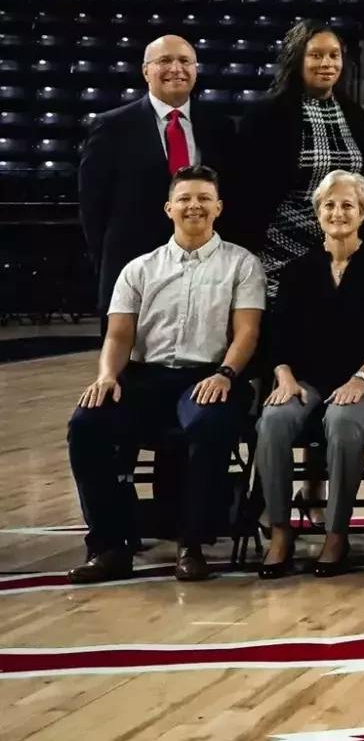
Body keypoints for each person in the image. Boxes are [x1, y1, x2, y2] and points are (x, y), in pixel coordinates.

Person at [67, 165, 265, 583]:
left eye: (204, 199)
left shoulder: (242, 264)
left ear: (219, 207)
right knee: (86, 425)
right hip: (145, 377)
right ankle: (110, 545)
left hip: (210, 376)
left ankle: (191, 544)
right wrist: (107, 376)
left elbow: (247, 331)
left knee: (210, 425)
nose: (195, 205)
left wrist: (227, 373)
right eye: (186, 199)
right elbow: (119, 336)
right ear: (169, 208)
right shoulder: (139, 269)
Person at [252, 171, 364, 578]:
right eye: (330, 206)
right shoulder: (296, 271)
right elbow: (278, 336)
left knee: (342, 420)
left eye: (347, 205)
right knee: (274, 420)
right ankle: (281, 532)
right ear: (317, 212)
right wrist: (283, 375)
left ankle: (336, 533)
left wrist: (359, 378)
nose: (338, 213)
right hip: (308, 382)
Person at [79, 34, 235, 318]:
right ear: (145, 71)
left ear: (195, 70)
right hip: (133, 271)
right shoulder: (111, 127)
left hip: (205, 272)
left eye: (185, 61)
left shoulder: (220, 126)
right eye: (165, 60)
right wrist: (106, 265)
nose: (176, 68)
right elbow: (93, 208)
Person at [231, 20, 364, 302]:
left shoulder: (354, 115)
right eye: (316, 55)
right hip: (277, 254)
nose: (326, 63)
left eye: (334, 55)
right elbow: (247, 193)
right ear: (297, 59)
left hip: (339, 249)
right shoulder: (265, 116)